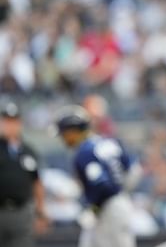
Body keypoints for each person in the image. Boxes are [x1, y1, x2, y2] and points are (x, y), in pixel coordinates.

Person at [54, 105, 141, 247]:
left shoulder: (84, 152)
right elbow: (134, 170)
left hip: (107, 209)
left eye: (64, 133)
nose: (63, 138)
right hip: (120, 202)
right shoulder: (109, 141)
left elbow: (101, 184)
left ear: (72, 131)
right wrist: (121, 191)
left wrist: (94, 208)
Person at [0, 101, 49, 247]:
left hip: (21, 212)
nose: (10, 126)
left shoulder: (28, 151)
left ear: (20, 123)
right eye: (6, 121)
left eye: (13, 121)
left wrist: (41, 212)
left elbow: (37, 183)